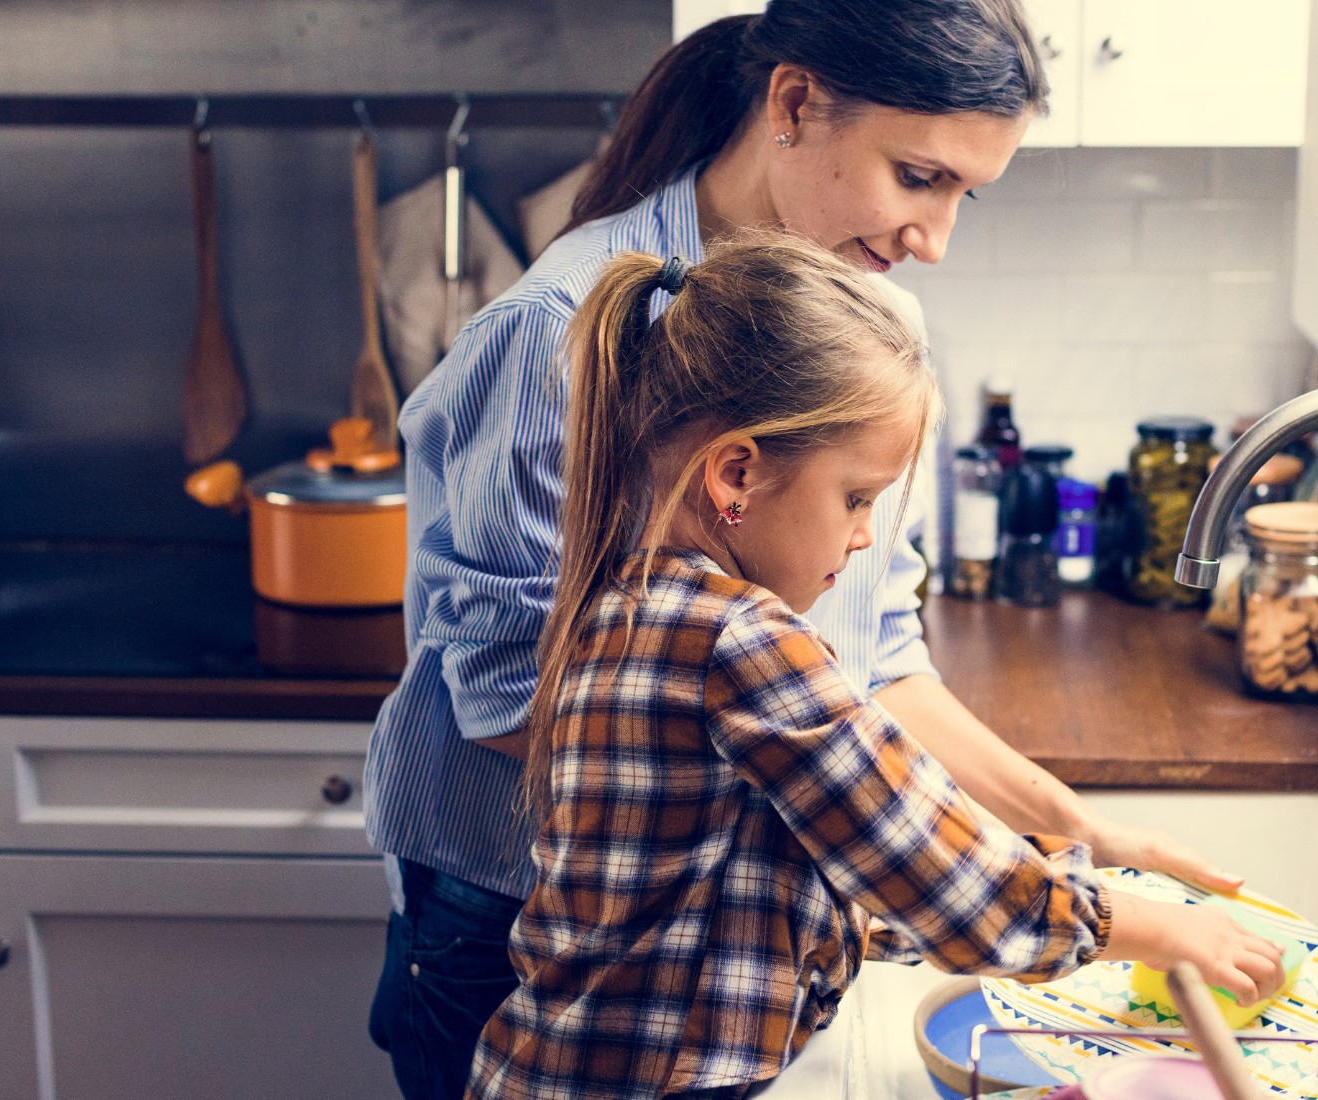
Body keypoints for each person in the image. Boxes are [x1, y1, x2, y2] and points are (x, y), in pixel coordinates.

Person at [364, 4, 1247, 1097]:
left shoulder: (872, 332)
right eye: (917, 175)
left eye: (964, 193)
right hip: (521, 937)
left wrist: (1061, 823)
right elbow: (504, 696)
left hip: (725, 944)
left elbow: (873, 655)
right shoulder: (556, 330)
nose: (934, 237)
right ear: (791, 104)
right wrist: (870, 829)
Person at [461, 236, 1285, 1099]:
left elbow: (829, 877)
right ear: (736, 473)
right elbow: (941, 871)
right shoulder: (736, 639)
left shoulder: (634, 600)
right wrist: (1159, 929)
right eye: (856, 497)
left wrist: (1066, 882)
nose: (863, 535)